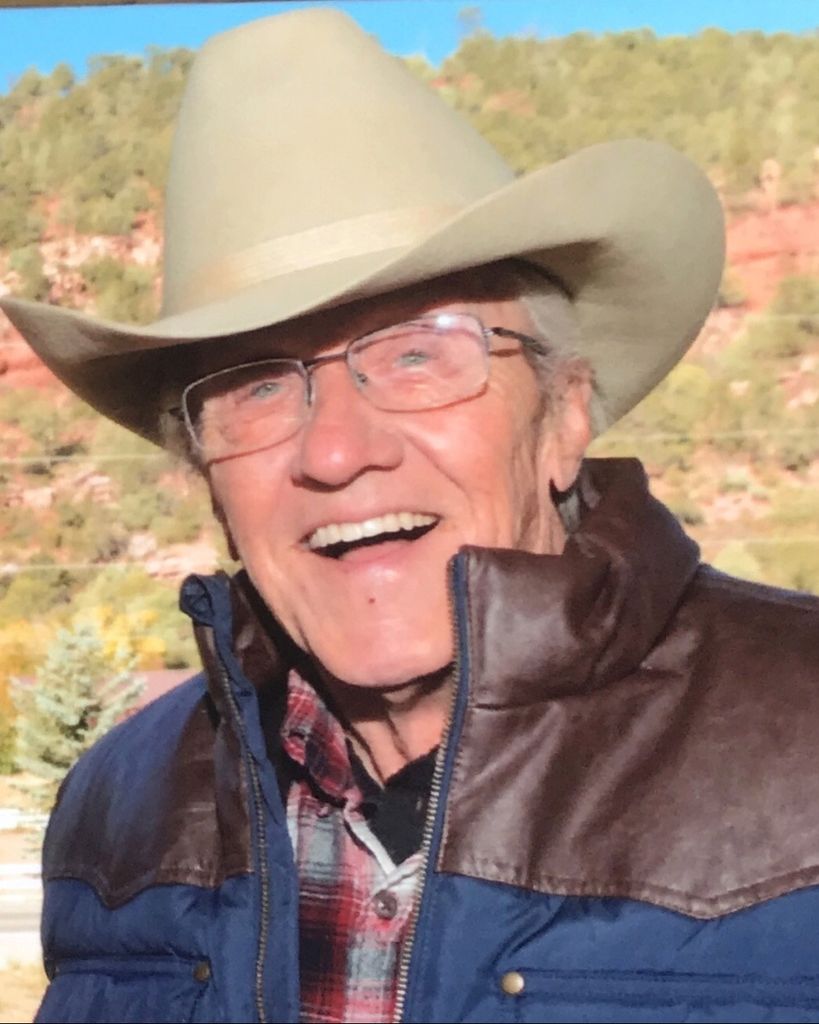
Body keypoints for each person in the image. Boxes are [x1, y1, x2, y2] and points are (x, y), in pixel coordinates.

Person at [4, 8, 819, 1024]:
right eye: (257, 385)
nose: (336, 451)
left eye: (419, 353)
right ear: (208, 476)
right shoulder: (114, 811)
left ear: (564, 414)